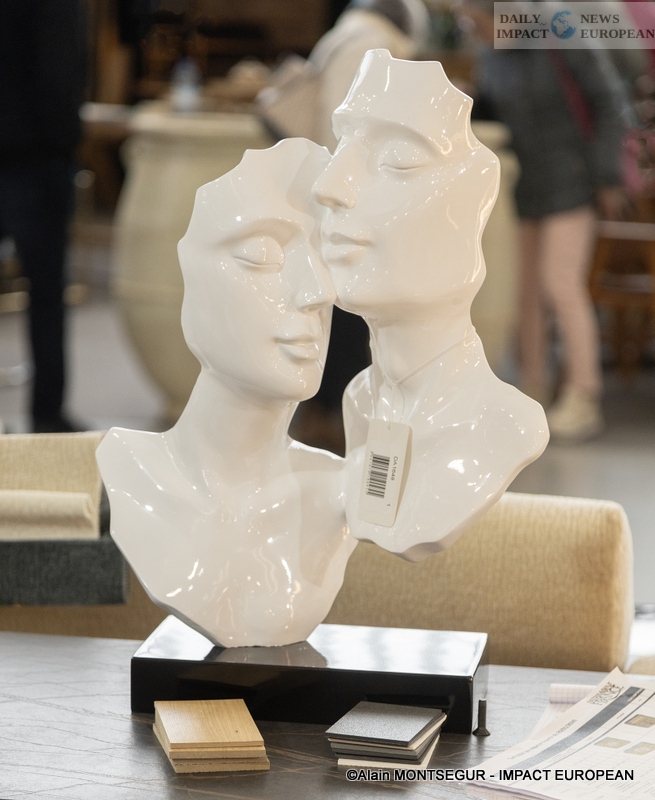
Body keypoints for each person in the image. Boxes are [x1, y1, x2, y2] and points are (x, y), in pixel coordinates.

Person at [97, 139, 356, 648]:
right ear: (188, 275)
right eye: (263, 254)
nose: (317, 291)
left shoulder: (336, 493)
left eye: (325, 255)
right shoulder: (128, 473)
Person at [313, 50, 549, 561]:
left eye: (398, 158)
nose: (328, 186)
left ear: (475, 198)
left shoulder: (506, 425)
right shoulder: (361, 402)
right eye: (339, 149)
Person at [458, 0, 630, 440]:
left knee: (560, 283)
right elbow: (497, 112)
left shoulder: (558, 29)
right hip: (523, 182)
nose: (470, 30)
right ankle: (531, 389)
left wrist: (606, 176)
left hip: (574, 178)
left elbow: (609, 102)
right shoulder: (491, 53)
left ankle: (582, 395)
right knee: (525, 290)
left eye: (474, 21)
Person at [0, 1, 87, 432]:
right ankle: (48, 416)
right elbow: (58, 70)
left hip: (28, 151)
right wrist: (65, 143)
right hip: (35, 158)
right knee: (47, 293)